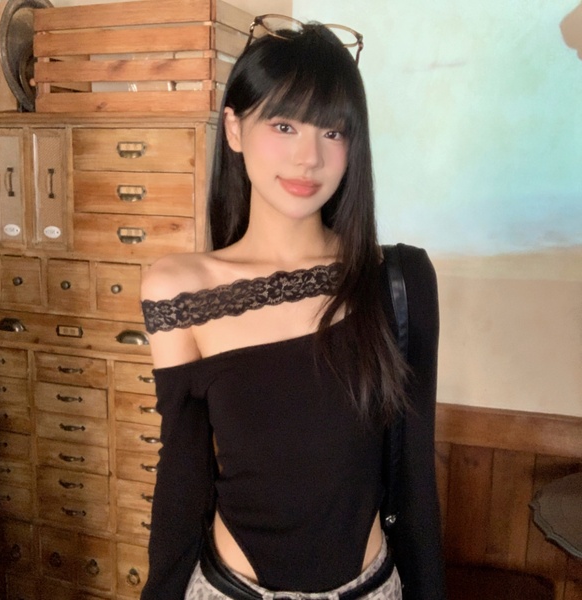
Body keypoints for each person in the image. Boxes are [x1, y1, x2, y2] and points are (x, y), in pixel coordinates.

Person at [140, 14, 446, 600]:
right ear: (235, 129)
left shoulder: (399, 280)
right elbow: (182, 476)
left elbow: (415, 481)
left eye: (332, 132)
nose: (309, 157)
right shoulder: (179, 290)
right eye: (284, 125)